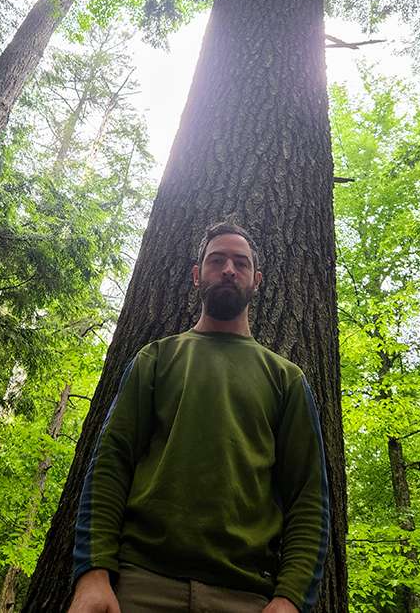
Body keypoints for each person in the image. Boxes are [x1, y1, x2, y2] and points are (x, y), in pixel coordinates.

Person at [69, 222, 329, 613]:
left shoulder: (286, 379)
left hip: (247, 596)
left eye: (240, 263)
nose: (228, 269)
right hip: (140, 585)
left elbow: (308, 497)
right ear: (196, 275)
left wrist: (291, 598)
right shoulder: (156, 359)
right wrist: (93, 574)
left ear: (256, 281)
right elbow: (110, 464)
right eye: (217, 260)